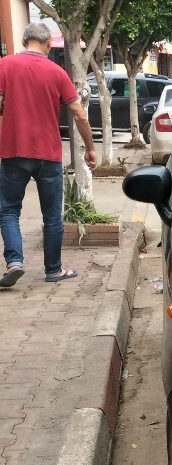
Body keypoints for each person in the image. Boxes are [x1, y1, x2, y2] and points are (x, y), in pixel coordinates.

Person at [0, 22, 97, 288]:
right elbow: (79, 114)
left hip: (13, 152)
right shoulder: (57, 72)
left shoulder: (4, 66)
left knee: (8, 210)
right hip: (48, 154)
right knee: (52, 215)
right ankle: (53, 270)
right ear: (47, 44)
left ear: (23, 42)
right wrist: (90, 148)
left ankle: (15, 262)